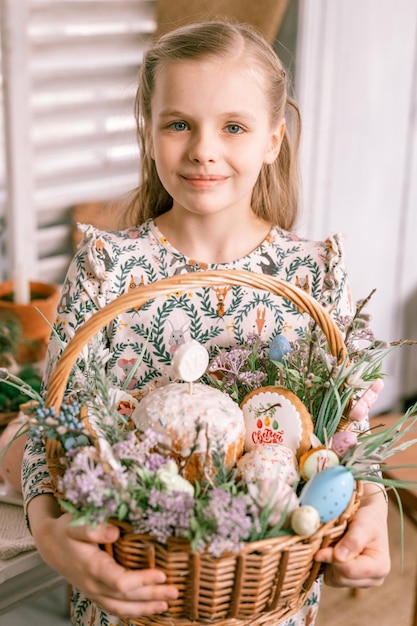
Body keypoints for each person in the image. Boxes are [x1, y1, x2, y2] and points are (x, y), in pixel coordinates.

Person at [22, 19, 389, 626]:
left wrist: (370, 511)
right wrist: (52, 536)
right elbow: (47, 431)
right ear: (149, 131)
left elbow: (347, 443)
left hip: (267, 606)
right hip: (131, 601)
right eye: (178, 124)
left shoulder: (314, 276)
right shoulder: (108, 268)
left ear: (273, 139)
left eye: (234, 127)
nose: (203, 150)